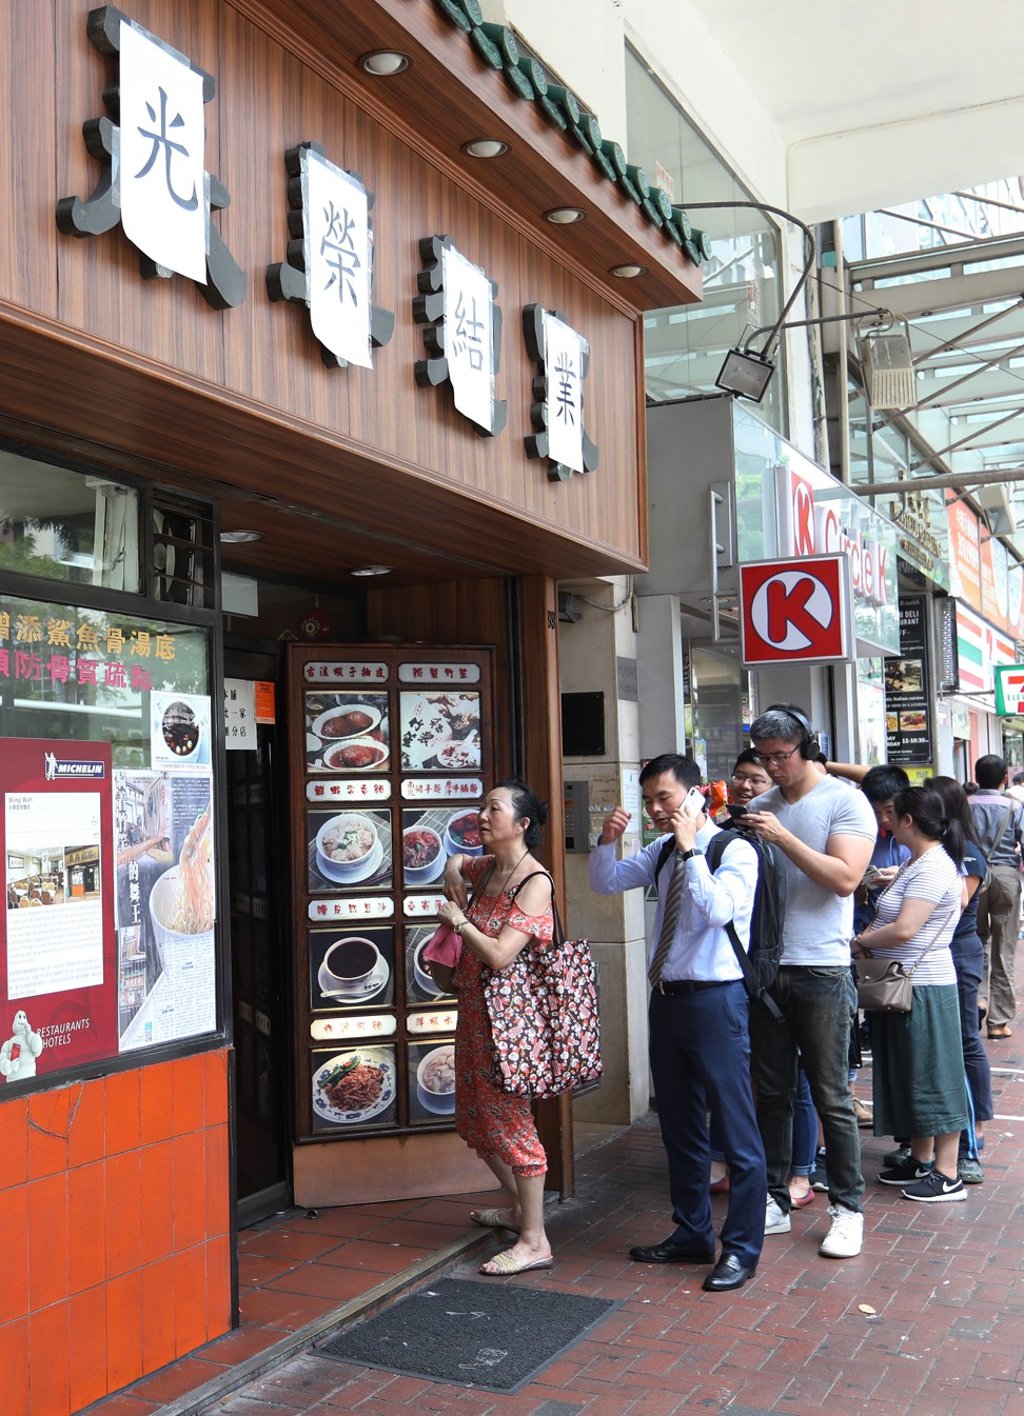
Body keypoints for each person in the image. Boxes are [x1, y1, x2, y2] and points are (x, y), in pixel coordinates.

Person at [589, 753, 766, 1293]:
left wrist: (691, 849)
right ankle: (692, 1232)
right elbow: (605, 883)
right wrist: (604, 840)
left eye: (664, 798)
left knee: (736, 1131)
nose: (656, 810)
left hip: (716, 1000)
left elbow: (717, 911)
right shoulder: (662, 850)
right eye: (649, 801)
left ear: (694, 795)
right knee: (680, 1127)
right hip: (666, 999)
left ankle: (741, 1249)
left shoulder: (733, 850)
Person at [742, 705, 877, 1259]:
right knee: (770, 1093)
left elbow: (844, 880)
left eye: (782, 757)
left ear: (808, 748)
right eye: (764, 758)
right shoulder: (759, 805)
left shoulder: (845, 801)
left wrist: (782, 838)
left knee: (830, 1095)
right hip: (768, 969)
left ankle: (848, 1209)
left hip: (822, 967)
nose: (772, 769)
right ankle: (774, 1197)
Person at [437, 780, 555, 1277]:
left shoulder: (535, 881)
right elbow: (457, 861)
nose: (482, 816)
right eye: (482, 806)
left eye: (494, 809)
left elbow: (503, 955)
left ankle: (535, 1240)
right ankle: (518, 1212)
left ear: (522, 824)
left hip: (512, 1028)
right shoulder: (487, 868)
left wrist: (459, 920)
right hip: (475, 1018)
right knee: (475, 1118)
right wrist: (449, 868)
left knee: (512, 1126)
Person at [853, 786, 970, 1201]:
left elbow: (906, 928)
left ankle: (948, 1171)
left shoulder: (933, 866)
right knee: (910, 1073)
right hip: (903, 983)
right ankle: (922, 1160)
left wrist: (858, 941)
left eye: (890, 814)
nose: (884, 821)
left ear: (908, 820)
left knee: (935, 1077)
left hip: (925, 986)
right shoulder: (916, 862)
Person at [927, 776, 993, 1183]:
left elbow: (960, 901)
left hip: (959, 951)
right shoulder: (940, 850)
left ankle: (978, 1125)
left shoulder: (967, 853)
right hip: (939, 951)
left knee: (967, 1038)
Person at [969, 754, 1024, 1039]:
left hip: (973, 878)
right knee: (1004, 950)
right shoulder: (1014, 806)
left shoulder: (965, 806)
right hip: (1005, 877)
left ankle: (977, 1001)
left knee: (975, 942)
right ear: (1005, 778)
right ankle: (998, 1022)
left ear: (976, 776)